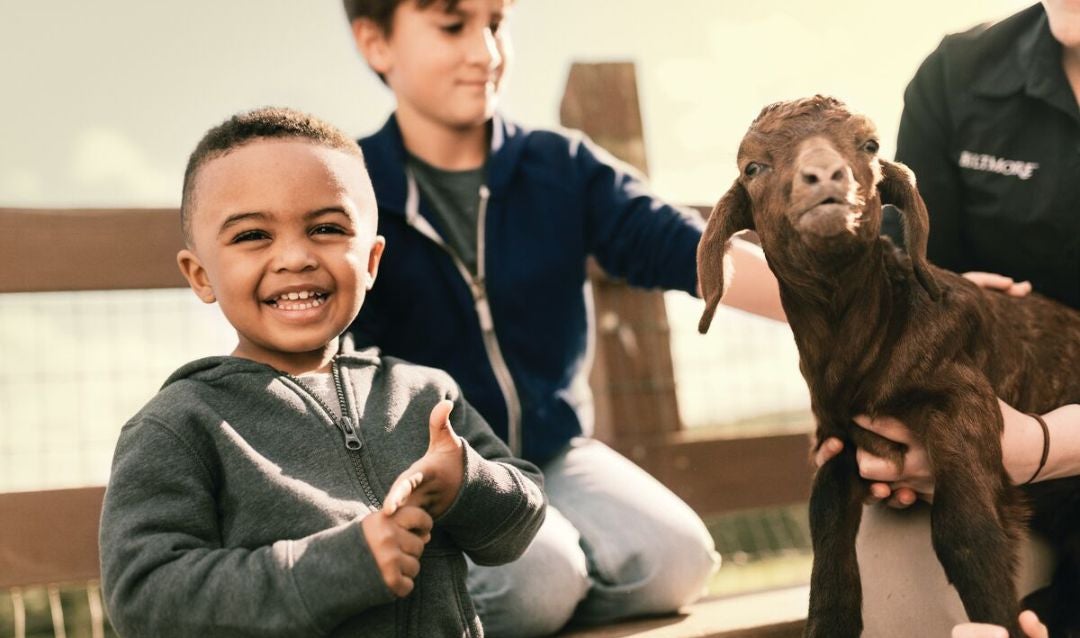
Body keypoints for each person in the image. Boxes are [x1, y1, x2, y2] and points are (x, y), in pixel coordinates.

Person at [341, 0, 786, 635]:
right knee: (538, 579)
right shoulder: (353, 187)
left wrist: (862, 302)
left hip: (555, 453)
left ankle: (528, 594)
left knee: (678, 560)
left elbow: (685, 247)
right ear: (375, 42)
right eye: (452, 26)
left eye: (496, 23)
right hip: (433, 468)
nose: (486, 52)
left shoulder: (561, 167)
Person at [98, 107, 546, 638]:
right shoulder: (180, 426)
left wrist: (465, 482)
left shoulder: (427, 395)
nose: (295, 257)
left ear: (373, 261)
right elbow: (145, 599)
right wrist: (338, 568)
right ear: (200, 275)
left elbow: (513, 530)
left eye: (327, 228)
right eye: (251, 236)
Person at [820, 2, 1080, 635]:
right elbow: (899, 286)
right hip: (975, 448)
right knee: (896, 605)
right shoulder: (959, 73)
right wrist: (873, 429)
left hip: (1039, 443)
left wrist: (1044, 446)